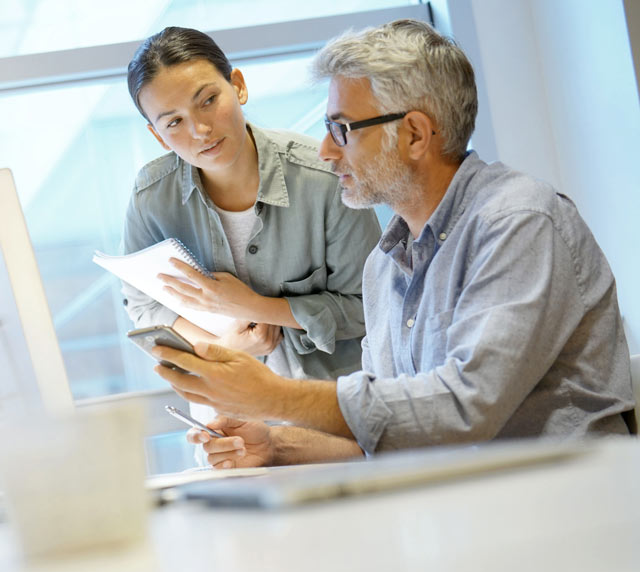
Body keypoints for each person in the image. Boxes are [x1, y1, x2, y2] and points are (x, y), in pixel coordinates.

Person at [150, 19, 635, 467]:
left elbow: (466, 407)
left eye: (342, 129)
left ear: (416, 135)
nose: (325, 151)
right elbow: (387, 433)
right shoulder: (385, 265)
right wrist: (273, 442)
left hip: (567, 507)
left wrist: (275, 396)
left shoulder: (518, 222)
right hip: (469, 509)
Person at [122, 27, 381, 391]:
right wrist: (226, 347)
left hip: (329, 406)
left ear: (238, 86)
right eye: (174, 121)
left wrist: (255, 306)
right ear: (157, 135)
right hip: (224, 411)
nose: (200, 129)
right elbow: (143, 307)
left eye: (208, 100)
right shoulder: (151, 197)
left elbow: (371, 305)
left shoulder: (323, 176)